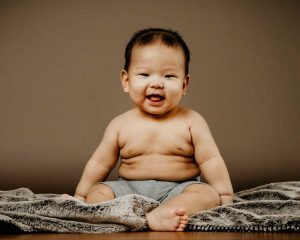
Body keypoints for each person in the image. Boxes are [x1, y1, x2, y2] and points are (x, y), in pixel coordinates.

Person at [64, 28, 233, 232]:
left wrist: (225, 196)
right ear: (127, 81)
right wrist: (80, 197)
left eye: (169, 76)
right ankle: (119, 212)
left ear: (184, 84)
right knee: (98, 192)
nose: (156, 83)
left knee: (207, 195)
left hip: (178, 189)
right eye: (144, 74)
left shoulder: (192, 122)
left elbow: (211, 160)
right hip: (128, 190)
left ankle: (164, 213)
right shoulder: (120, 124)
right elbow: (99, 163)